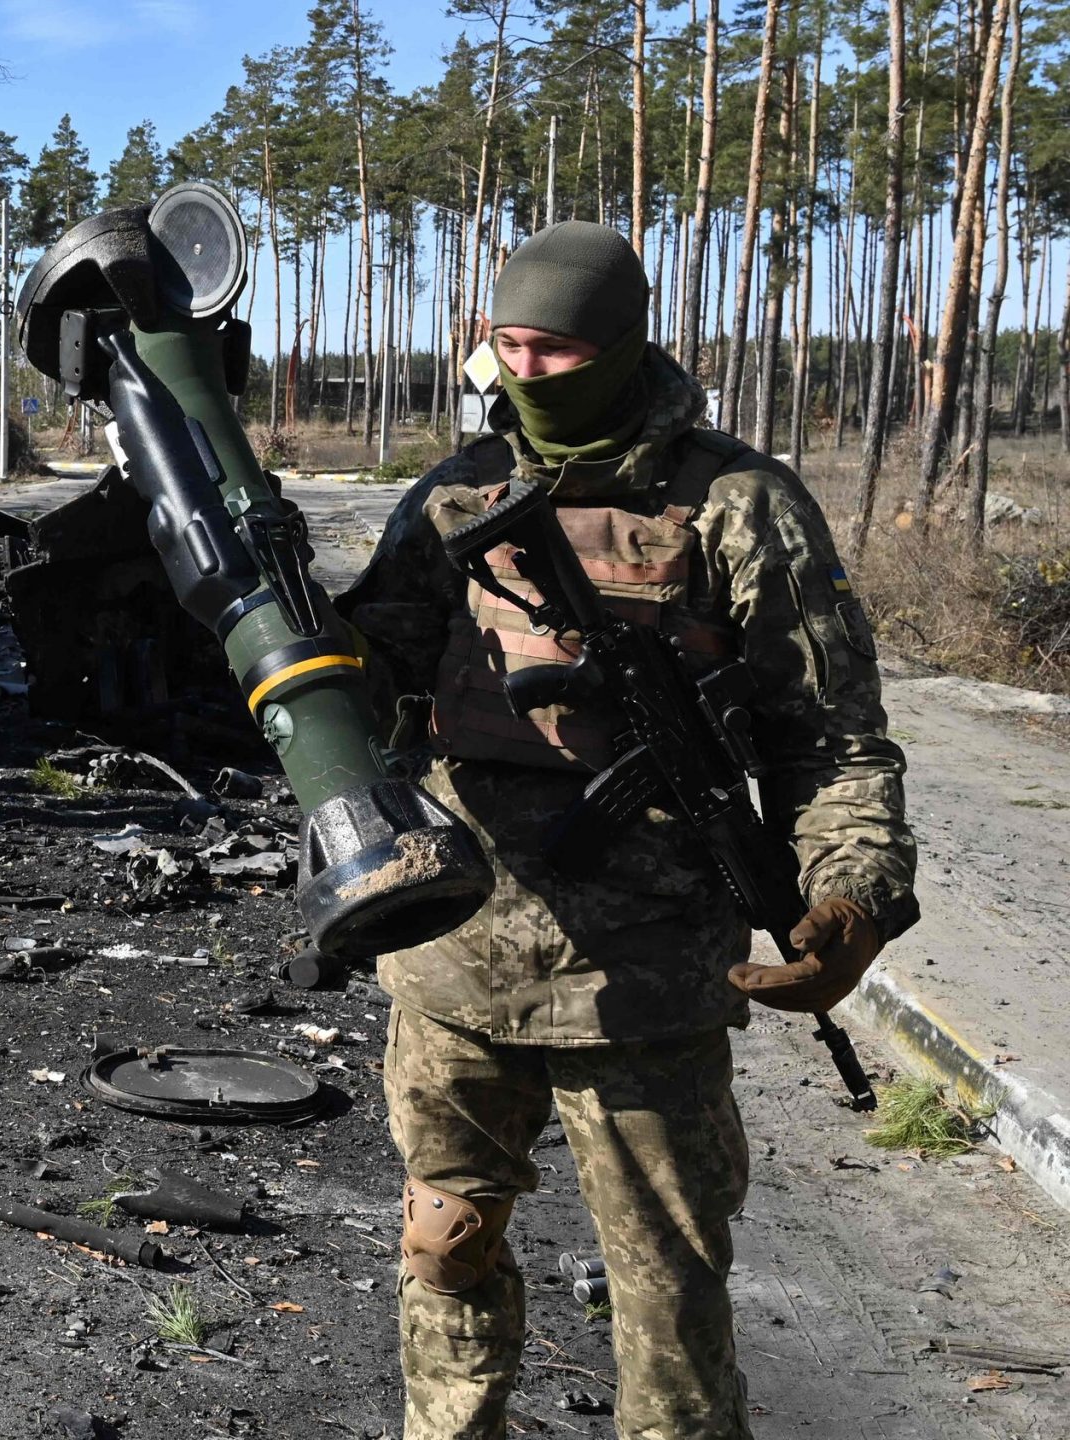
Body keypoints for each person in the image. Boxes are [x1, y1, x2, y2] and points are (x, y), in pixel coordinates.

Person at [337, 220, 917, 1439]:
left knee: (667, 1303)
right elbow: (362, 684)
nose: (525, 373)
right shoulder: (452, 493)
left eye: (555, 352)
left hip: (648, 975)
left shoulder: (739, 505)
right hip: (456, 955)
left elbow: (832, 737)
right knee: (443, 1247)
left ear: (620, 345)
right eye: (506, 346)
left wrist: (851, 894)